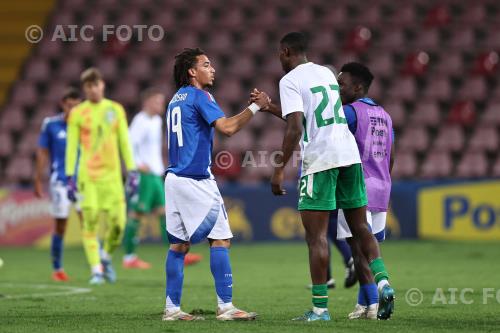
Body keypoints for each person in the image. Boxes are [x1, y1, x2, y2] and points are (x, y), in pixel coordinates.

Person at [252, 32, 394, 321]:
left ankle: (319, 310)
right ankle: (383, 282)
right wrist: (270, 108)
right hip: (349, 157)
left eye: (280, 55)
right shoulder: (328, 74)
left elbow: (295, 128)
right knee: (360, 228)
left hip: (321, 159)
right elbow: (314, 118)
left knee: (315, 237)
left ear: (286, 51)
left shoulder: (289, 80)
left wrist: (279, 169)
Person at [162, 48, 266, 321]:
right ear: (192, 72)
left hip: (173, 179)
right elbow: (228, 128)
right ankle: (226, 307)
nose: (213, 69)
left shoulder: (175, 99)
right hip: (196, 178)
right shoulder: (200, 95)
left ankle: (172, 310)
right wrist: (256, 106)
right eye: (206, 65)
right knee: (221, 239)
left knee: (178, 246)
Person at [65, 68, 139, 285]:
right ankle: (96, 270)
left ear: (102, 85)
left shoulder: (115, 109)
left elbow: (124, 141)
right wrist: (70, 176)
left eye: (95, 85)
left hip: (113, 178)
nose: (93, 89)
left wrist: (132, 170)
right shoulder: (77, 113)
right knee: (90, 225)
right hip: (88, 178)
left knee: (118, 224)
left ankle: (105, 257)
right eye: (88, 86)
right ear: (85, 89)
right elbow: (71, 147)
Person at [336, 62, 395, 320]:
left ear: (358, 87)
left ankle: (373, 304)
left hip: (357, 187)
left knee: (358, 250)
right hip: (382, 186)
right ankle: (363, 305)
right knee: (369, 249)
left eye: (341, 84)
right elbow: (392, 155)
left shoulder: (349, 112)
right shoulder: (385, 115)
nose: (338, 89)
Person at [123, 88, 202, 269]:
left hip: (156, 174)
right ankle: (129, 258)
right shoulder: (140, 121)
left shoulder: (157, 120)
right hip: (144, 175)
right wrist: (137, 164)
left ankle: (178, 254)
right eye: (157, 101)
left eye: (161, 101)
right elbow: (128, 144)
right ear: (147, 102)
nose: (161, 105)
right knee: (137, 213)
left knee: (165, 213)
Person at [33, 87, 82, 281]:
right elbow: (42, 152)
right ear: (63, 104)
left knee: (89, 223)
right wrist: (37, 179)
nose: (73, 110)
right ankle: (57, 268)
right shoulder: (51, 124)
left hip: (83, 182)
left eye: (77, 107)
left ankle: (99, 266)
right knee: (61, 224)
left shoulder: (85, 125)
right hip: (60, 181)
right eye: (70, 106)